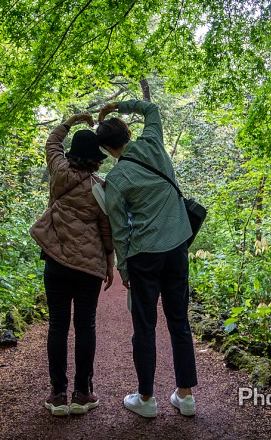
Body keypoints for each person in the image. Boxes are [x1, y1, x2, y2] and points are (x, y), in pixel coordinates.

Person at [96, 100, 198, 418]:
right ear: (128, 131)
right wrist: (118, 105)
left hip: (144, 256)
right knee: (179, 322)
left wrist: (123, 267)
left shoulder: (116, 179)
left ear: (107, 149)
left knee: (145, 326)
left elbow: (119, 229)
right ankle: (185, 396)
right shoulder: (153, 143)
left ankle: (146, 399)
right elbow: (152, 111)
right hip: (177, 246)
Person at [29, 113, 115, 417]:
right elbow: (107, 230)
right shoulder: (100, 187)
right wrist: (109, 263)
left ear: (72, 153)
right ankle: (82, 393)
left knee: (57, 325)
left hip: (55, 261)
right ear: (96, 158)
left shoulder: (59, 171)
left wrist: (72, 120)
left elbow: (52, 142)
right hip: (88, 266)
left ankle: (57, 395)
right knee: (85, 326)